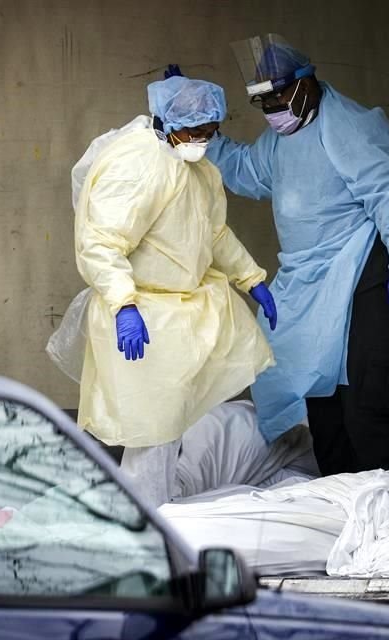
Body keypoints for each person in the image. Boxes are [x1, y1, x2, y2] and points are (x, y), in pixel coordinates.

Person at [203, 35, 389, 476]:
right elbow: (249, 174)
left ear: (305, 82)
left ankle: (382, 502)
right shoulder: (281, 138)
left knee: (366, 395)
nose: (273, 112)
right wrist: (206, 133)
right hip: (311, 281)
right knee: (323, 396)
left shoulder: (347, 125)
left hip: (362, 271)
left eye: (278, 97)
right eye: (264, 103)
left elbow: (388, 193)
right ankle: (338, 499)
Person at [74, 75, 277, 507]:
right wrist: (123, 304)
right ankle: (148, 521)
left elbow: (215, 233)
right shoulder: (138, 166)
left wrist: (251, 278)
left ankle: (160, 511)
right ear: (166, 120)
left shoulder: (197, 169)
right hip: (143, 315)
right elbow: (101, 243)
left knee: (167, 430)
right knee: (151, 431)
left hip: (178, 315)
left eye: (210, 131)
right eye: (195, 131)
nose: (203, 140)